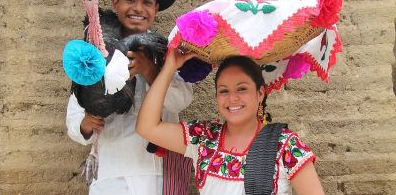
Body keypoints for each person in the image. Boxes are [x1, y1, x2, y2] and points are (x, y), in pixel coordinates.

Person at [66, 0, 193, 194]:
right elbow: (75, 120)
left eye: (147, 2)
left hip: (159, 173)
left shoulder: (168, 53)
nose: (138, 8)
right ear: (115, 3)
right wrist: (86, 124)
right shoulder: (94, 54)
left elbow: (181, 101)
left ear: (156, 9)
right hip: (110, 175)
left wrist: (150, 70)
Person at [136, 49, 326, 195]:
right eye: (224, 91)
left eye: (241, 89)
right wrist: (169, 67)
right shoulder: (203, 138)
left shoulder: (285, 145)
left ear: (260, 93)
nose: (232, 98)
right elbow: (147, 127)